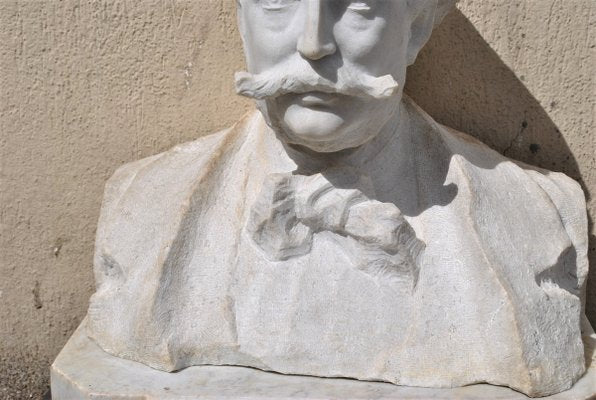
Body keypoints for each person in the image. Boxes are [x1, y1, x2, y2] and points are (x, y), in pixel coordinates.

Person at [86, 1, 589, 397]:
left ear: (417, 29)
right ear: (241, 20)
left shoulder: (539, 216)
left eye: (359, 6)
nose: (313, 45)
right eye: (276, 2)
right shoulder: (143, 202)